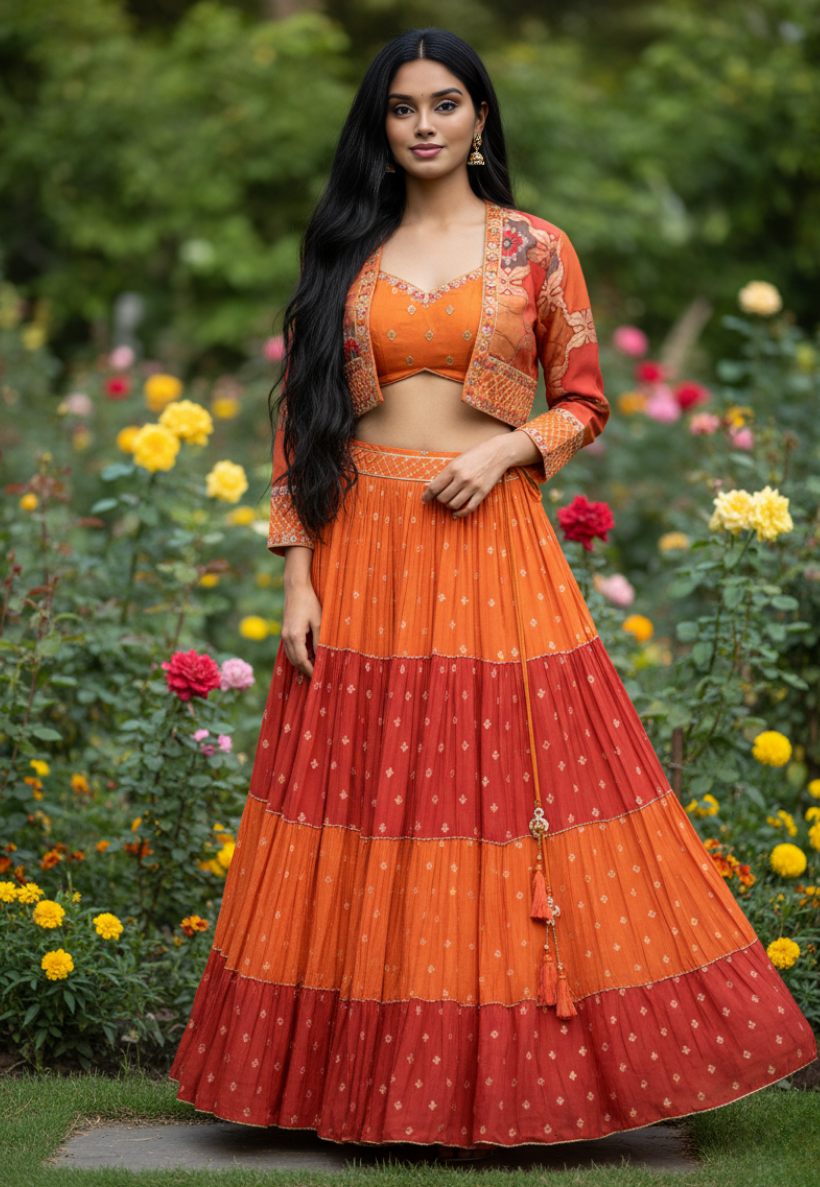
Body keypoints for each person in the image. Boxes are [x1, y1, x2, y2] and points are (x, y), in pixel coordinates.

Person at [170, 27, 816, 1157]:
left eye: (446, 104)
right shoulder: (348, 250)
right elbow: (302, 424)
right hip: (364, 545)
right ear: (381, 126)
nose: (424, 124)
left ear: (479, 120)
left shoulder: (532, 249)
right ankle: (363, 1085)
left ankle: (543, 1073)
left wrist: (507, 452)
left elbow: (584, 401)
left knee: (508, 789)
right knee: (370, 798)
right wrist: (298, 579)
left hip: (488, 542)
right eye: (403, 107)